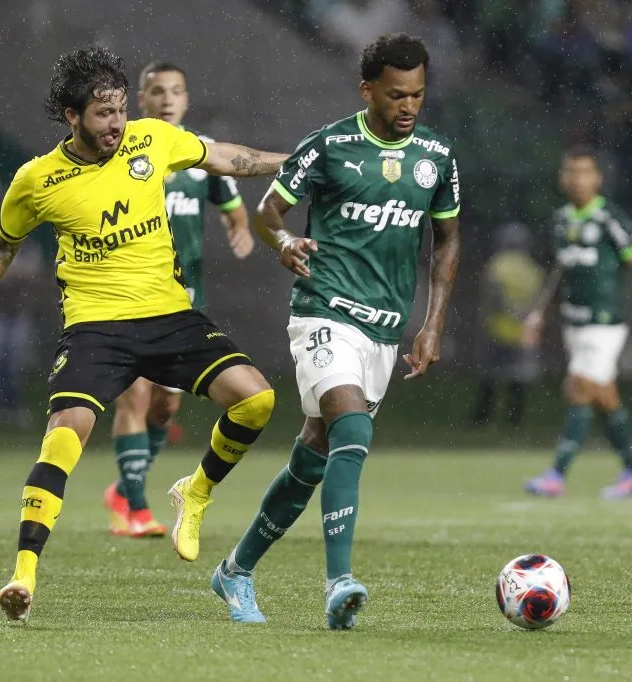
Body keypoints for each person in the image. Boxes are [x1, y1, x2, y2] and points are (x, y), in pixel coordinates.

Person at [0, 47, 288, 624]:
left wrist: (296, 161)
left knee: (257, 400)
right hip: (95, 329)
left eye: (118, 110)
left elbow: (226, 159)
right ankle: (22, 576)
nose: (115, 124)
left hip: (169, 315)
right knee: (65, 437)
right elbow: (0, 250)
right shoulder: (38, 179)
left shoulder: (151, 140)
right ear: (71, 115)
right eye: (100, 114)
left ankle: (196, 492)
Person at [210, 33, 461, 629]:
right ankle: (339, 582)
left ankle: (235, 572)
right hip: (324, 311)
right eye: (397, 95)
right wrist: (286, 240)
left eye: (418, 96)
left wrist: (432, 324)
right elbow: (269, 210)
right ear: (368, 89)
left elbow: (447, 243)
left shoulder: (437, 157)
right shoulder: (328, 145)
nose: (408, 107)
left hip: (385, 328)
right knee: (351, 429)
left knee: (315, 455)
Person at [104, 60, 254, 539]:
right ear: (141, 101)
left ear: (186, 100)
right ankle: (135, 506)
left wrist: (240, 230)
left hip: (183, 301)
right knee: (136, 393)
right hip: (129, 296)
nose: (167, 99)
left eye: (176, 91)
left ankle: (124, 488)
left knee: (166, 408)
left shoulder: (198, 154)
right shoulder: (119, 152)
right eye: (157, 91)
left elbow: (233, 207)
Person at [522, 146, 632, 499]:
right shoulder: (559, 221)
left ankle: (557, 474)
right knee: (604, 395)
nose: (577, 179)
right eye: (571, 171)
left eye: (585, 171)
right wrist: (539, 314)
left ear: (598, 178)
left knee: (579, 388)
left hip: (605, 323)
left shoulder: (609, 218)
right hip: (574, 324)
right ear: (562, 178)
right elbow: (558, 273)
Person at [470, 222, 544, 426]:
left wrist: (487, 319)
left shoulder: (496, 265)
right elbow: (539, 301)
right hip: (523, 333)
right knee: (518, 379)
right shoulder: (533, 269)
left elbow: (492, 298)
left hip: (497, 328)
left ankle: (482, 418)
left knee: (489, 378)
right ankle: (514, 419)